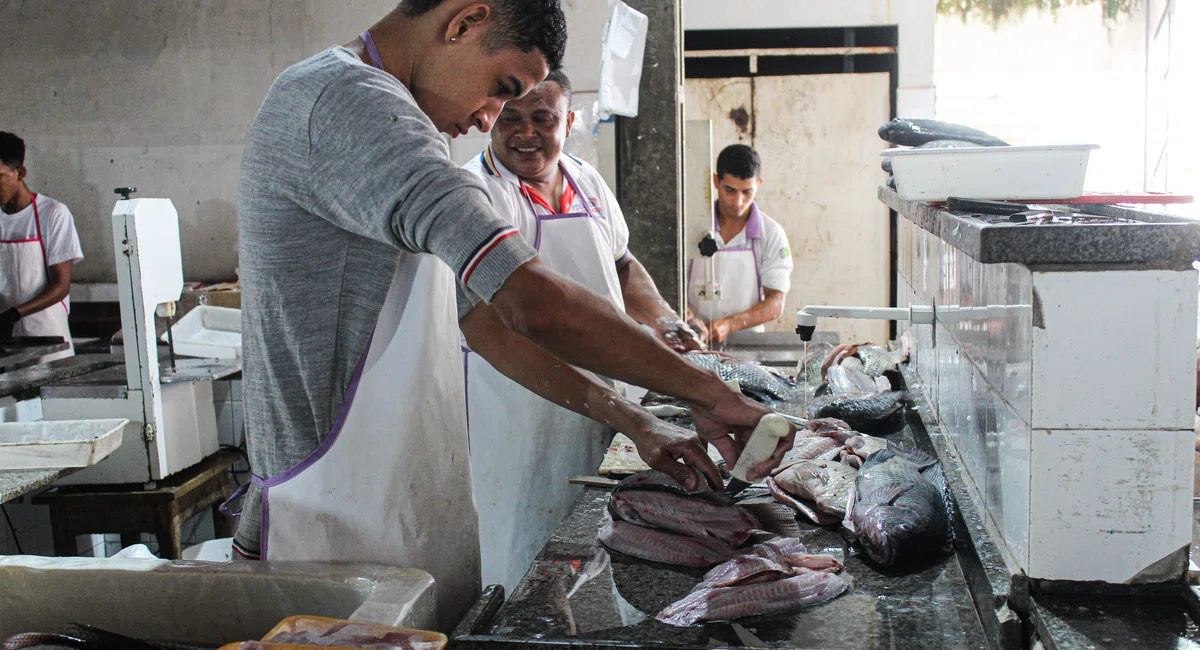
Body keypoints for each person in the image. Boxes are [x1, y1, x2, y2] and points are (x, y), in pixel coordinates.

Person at [234, 0, 792, 630]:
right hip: (333, 526)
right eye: (501, 92)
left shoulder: (383, 118)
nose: (487, 121)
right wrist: (707, 392)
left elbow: (482, 321)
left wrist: (634, 417)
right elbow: (530, 303)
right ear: (464, 22)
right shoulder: (346, 104)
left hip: (394, 508)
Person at [461, 70, 701, 590]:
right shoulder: (475, 194)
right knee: (524, 551)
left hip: (609, 406)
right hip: (518, 407)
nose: (526, 133)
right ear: (490, 118)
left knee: (601, 543)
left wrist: (662, 318)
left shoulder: (585, 180)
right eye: (511, 118)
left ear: (568, 122)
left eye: (543, 119)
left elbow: (622, 266)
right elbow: (498, 321)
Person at [685, 144, 794, 346]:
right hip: (692, 340)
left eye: (747, 192)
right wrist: (684, 312)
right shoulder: (689, 227)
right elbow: (667, 283)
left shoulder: (771, 234)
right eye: (730, 190)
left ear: (759, 184)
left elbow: (775, 303)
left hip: (749, 345)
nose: (738, 201)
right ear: (716, 181)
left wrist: (729, 324)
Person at [0, 131, 83, 361]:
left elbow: (61, 284)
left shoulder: (53, 214)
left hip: (49, 340)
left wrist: (15, 315)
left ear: (20, 172)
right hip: (7, 342)